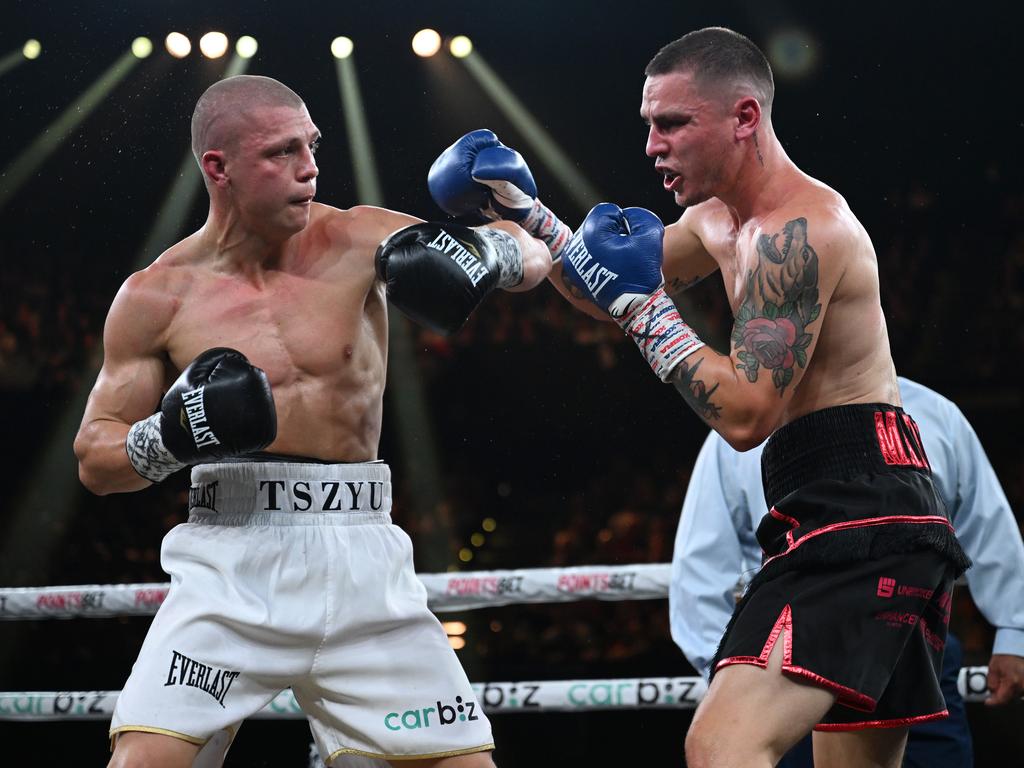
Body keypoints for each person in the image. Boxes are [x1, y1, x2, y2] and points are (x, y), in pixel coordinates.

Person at [426, 26, 974, 768]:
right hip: (843, 503)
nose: (653, 144)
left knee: (722, 746)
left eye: (672, 123)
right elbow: (605, 284)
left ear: (744, 117)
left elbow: (746, 414)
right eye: (649, 124)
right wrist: (524, 211)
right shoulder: (718, 221)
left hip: (860, 510)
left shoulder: (801, 232)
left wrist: (644, 310)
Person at [73, 74, 552, 768]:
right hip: (228, 566)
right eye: (282, 152)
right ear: (219, 168)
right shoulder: (157, 295)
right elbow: (95, 459)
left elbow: (530, 252)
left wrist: (494, 253)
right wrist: (169, 436)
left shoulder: (360, 237)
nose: (310, 167)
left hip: (365, 561)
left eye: (313, 146)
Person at [671, 376, 1024, 767]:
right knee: (724, 747)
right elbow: (702, 564)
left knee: (721, 748)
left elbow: (987, 524)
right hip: (795, 652)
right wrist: (733, 679)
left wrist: (1015, 631)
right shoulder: (745, 426)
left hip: (904, 638)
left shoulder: (935, 413)